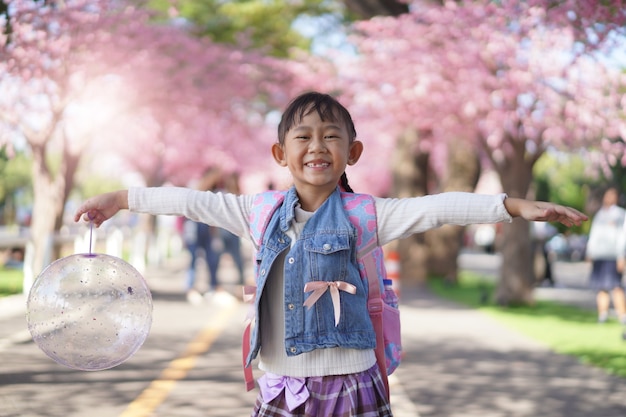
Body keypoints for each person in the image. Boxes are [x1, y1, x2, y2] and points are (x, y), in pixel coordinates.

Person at [75, 91, 587, 416]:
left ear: (352, 152)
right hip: (282, 390)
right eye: (303, 136)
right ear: (281, 154)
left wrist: (517, 206)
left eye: (330, 136)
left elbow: (439, 208)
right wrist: (120, 199)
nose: (316, 146)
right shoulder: (258, 213)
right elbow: (191, 201)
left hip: (352, 385)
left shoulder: (367, 216)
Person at [585, 186, 626, 324]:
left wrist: (621, 255)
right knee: (601, 287)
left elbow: (623, 236)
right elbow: (594, 233)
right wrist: (590, 251)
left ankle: (622, 316)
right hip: (599, 255)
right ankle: (602, 314)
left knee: (616, 286)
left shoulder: (620, 214)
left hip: (613, 255)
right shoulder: (600, 214)